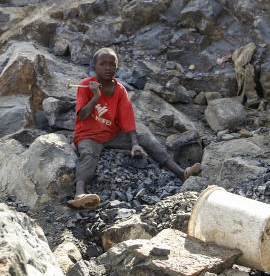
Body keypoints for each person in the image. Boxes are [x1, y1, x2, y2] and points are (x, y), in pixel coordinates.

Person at [67, 47, 200, 209]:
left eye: (112, 64)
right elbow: (82, 115)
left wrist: (135, 142)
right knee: (88, 155)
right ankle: (79, 194)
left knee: (146, 139)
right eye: (103, 64)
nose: (108, 68)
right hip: (88, 135)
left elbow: (127, 118)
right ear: (94, 67)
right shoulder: (85, 85)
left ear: (117, 67)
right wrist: (95, 97)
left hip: (112, 134)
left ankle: (181, 172)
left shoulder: (120, 90)